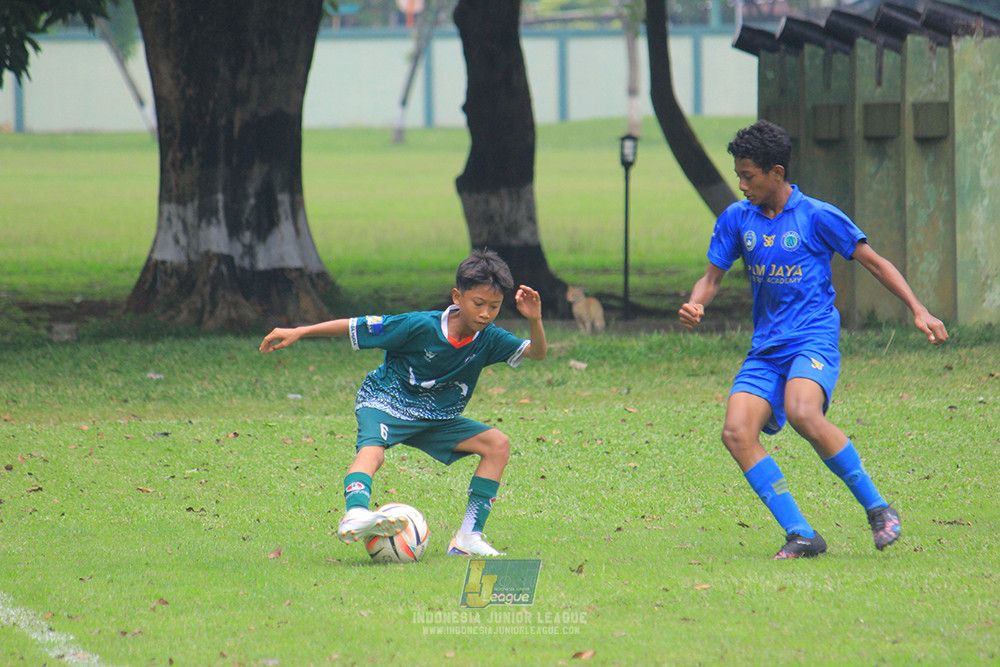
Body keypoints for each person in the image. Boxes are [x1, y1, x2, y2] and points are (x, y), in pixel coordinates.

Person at [678, 120, 948, 560]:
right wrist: (696, 304)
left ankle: (878, 509)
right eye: (739, 175)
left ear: (777, 173)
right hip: (766, 349)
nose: (741, 184)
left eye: (749, 175)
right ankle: (801, 534)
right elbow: (711, 278)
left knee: (804, 411)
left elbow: (875, 263)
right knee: (736, 432)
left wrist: (918, 308)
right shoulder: (736, 219)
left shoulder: (816, 216)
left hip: (813, 339)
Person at [259, 250, 546, 557]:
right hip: (385, 401)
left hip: (436, 417)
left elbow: (537, 353)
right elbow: (357, 325)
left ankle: (468, 538)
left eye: (494, 306)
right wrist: (301, 331)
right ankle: (356, 514)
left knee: (497, 444)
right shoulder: (418, 325)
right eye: (478, 304)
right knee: (373, 453)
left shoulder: (490, 339)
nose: (486, 313)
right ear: (457, 297)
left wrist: (535, 320)